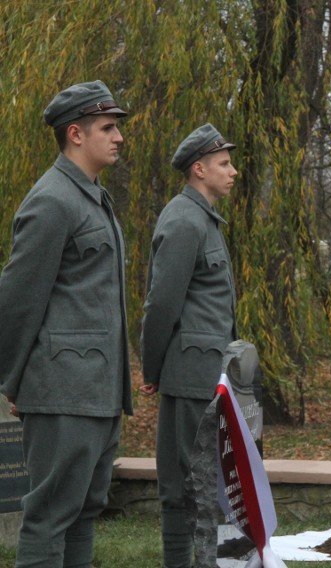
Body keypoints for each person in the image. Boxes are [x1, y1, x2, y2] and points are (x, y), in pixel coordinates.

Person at [0, 80, 133, 568]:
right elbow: (16, 300)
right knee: (51, 515)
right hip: (62, 390)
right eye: (108, 128)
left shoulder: (92, 197)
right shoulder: (52, 200)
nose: (118, 137)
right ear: (75, 133)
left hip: (96, 391)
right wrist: (14, 381)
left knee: (82, 512)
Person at [140, 123, 239, 568]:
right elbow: (161, 304)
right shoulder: (183, 219)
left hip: (206, 373)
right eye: (223, 164)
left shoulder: (202, 218)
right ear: (199, 169)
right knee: (184, 485)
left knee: (205, 483)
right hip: (188, 375)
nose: (232, 171)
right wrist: (153, 369)